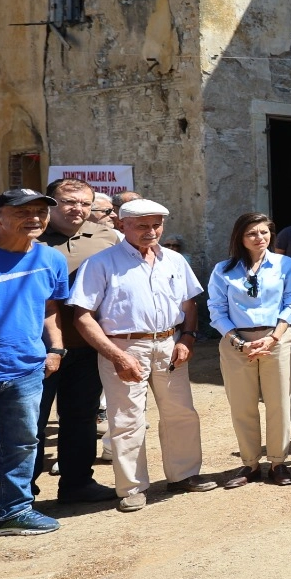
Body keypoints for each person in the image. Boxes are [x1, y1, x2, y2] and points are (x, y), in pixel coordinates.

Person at [70, 197, 217, 510]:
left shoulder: (174, 260)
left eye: (156, 225)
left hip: (169, 344)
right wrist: (117, 356)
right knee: (127, 419)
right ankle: (132, 488)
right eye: (142, 225)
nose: (151, 231)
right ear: (122, 225)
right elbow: (83, 316)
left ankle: (184, 474)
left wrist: (187, 338)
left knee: (181, 412)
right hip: (124, 346)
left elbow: (189, 304)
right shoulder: (101, 263)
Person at [0, 189, 69, 551]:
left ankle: (14, 510)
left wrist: (55, 348)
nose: (34, 218)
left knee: (22, 444)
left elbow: (49, 306)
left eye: (40, 211)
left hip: (24, 371)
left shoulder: (50, 259)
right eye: (22, 212)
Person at [34, 177, 120, 504]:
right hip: (38, 348)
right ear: (51, 204)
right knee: (31, 424)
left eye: (85, 203)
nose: (78, 209)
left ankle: (77, 484)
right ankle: (22, 495)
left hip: (86, 346)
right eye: (69, 202)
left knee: (81, 418)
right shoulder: (30, 236)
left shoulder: (106, 237)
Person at [207, 212, 291, 487]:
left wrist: (273, 338)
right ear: (240, 237)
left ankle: (278, 462)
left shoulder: (284, 264)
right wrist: (240, 342)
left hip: (276, 338)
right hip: (236, 342)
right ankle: (249, 464)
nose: (259, 237)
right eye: (252, 233)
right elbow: (216, 309)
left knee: (279, 403)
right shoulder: (223, 269)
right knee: (242, 404)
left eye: (264, 232)